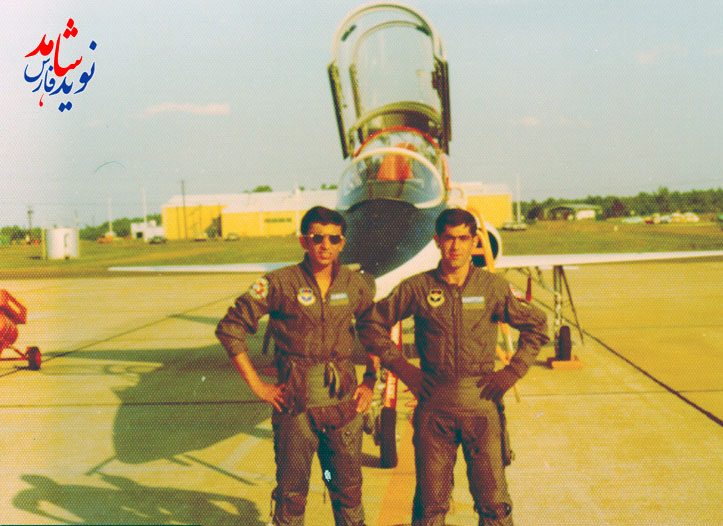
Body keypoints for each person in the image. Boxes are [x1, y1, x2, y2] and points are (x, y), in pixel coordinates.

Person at [359, 208, 550, 526]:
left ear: (475, 241)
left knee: (494, 504)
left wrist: (512, 371)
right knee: (430, 506)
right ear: (437, 240)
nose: (456, 246)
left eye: (464, 238)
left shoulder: (492, 287)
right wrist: (404, 369)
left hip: (482, 404)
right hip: (435, 405)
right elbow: (370, 324)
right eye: (449, 238)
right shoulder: (418, 288)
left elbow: (538, 325)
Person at [216, 206, 375, 526]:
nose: (325, 245)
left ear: (342, 243)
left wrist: (371, 380)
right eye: (317, 238)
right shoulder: (280, 283)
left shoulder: (354, 284)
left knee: (347, 492)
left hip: (343, 405)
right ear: (304, 241)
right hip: (296, 408)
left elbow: (374, 331)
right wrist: (257, 386)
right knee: (292, 495)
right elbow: (230, 327)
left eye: (333, 239)